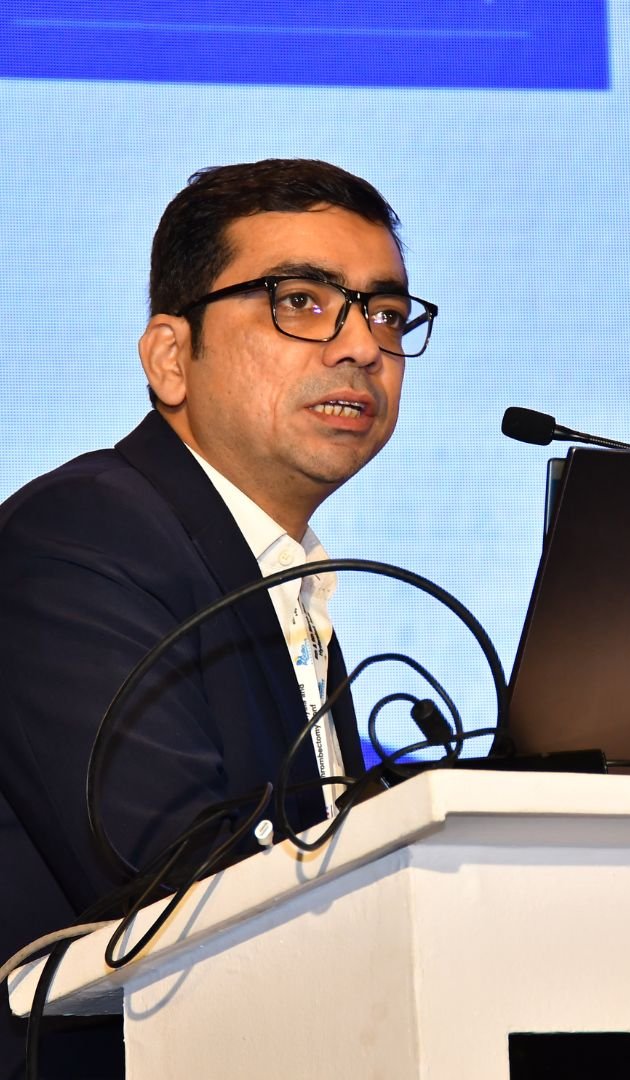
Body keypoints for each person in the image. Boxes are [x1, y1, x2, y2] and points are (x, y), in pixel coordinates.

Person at [0, 158, 437, 1078]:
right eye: (302, 302)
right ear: (171, 358)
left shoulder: (275, 570)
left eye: (387, 314)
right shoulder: (81, 537)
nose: (362, 347)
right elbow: (176, 881)